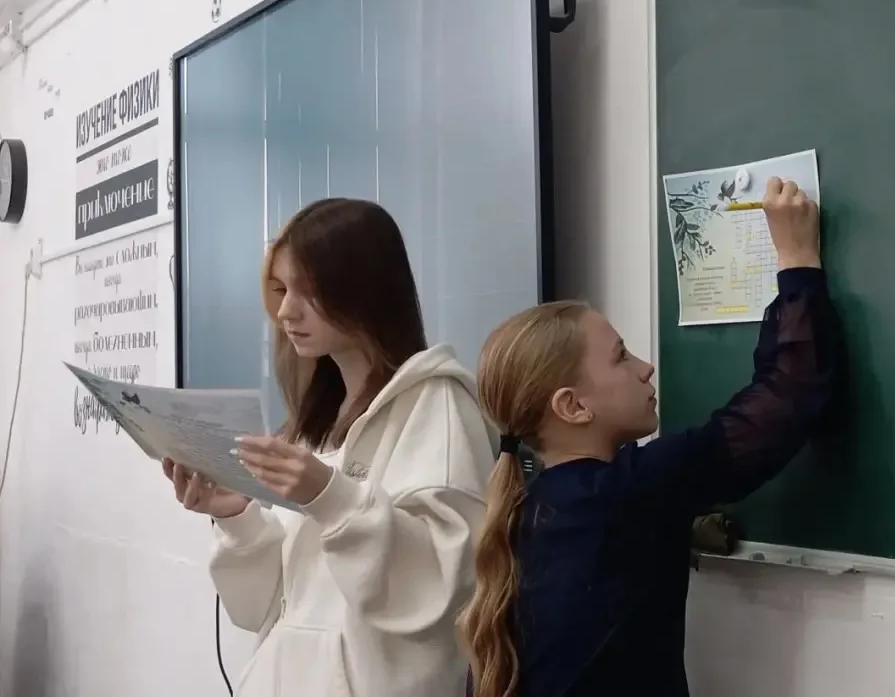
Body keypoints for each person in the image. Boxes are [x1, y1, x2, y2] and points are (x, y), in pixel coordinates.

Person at [458, 177, 847, 697]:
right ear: (572, 406)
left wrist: (682, 524)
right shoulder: (628, 493)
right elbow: (790, 394)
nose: (645, 367)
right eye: (620, 356)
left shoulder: (536, 508)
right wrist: (796, 257)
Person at [162, 198, 495, 697]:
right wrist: (237, 517)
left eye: (308, 290)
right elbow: (262, 608)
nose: (285, 311)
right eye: (281, 289)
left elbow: (443, 587)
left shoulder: (437, 406)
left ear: (363, 288)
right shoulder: (312, 426)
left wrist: (331, 497)